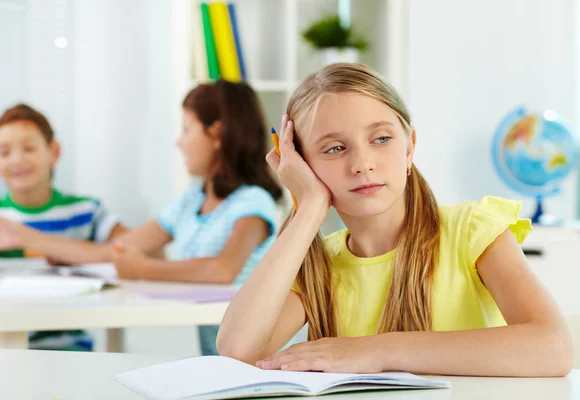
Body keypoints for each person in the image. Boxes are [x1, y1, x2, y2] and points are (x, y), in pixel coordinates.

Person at [217, 63, 572, 377]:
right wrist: (309, 207)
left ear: (409, 148)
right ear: (302, 165)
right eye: (334, 148)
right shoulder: (319, 266)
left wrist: (377, 350)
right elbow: (239, 351)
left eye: (381, 139)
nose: (362, 163)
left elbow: (552, 347)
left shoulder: (473, 230)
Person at [112, 80, 283, 356]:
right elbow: (121, 246)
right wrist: (38, 242)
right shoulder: (192, 200)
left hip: (256, 361)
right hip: (218, 359)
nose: (179, 142)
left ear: (217, 134)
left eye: (187, 130)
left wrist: (140, 268)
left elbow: (222, 270)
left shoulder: (254, 202)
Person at [0, 103, 126, 350]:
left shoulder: (85, 211)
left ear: (54, 151)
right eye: (5, 152)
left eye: (29, 148)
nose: (17, 160)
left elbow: (133, 248)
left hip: (69, 349)